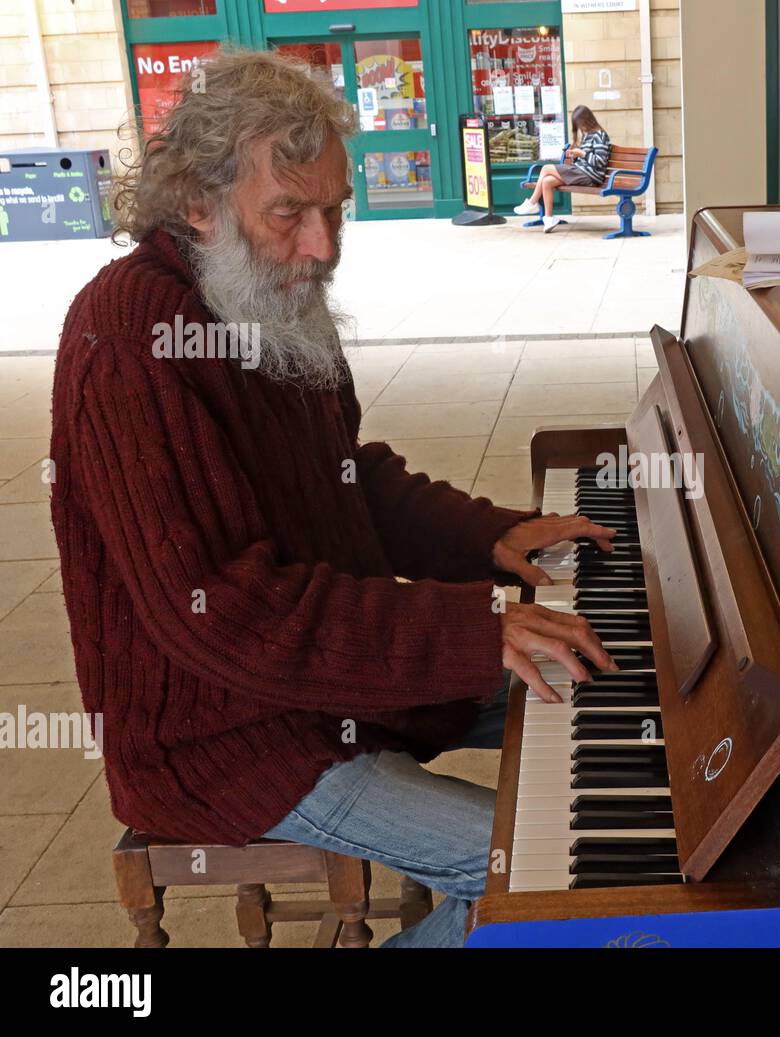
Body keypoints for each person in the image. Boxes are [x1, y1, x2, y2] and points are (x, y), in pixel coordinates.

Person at [50, 49, 618, 948]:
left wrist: (494, 535)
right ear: (198, 203)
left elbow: (348, 479)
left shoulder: (262, 294)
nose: (320, 248)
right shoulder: (129, 341)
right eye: (289, 214)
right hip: (224, 735)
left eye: (334, 212)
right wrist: (471, 630)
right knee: (541, 865)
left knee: (612, 682)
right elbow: (221, 610)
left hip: (314, 685)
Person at [513, 105, 612, 231]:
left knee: (546, 169)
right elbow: (586, 158)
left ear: (588, 120)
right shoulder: (588, 135)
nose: (580, 127)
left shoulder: (600, 135)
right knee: (546, 181)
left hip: (590, 176)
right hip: (582, 172)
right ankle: (549, 219)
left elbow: (600, 162)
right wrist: (575, 154)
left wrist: (582, 153)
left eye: (581, 123)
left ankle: (532, 202)